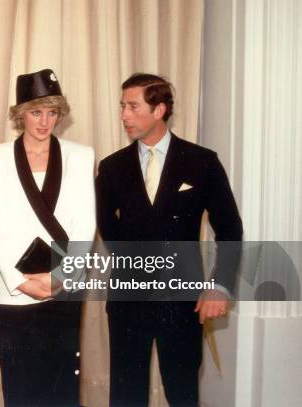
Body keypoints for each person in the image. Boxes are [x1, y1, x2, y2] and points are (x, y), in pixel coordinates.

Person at [95, 73, 243, 406]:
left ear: (159, 109)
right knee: (125, 395)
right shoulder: (111, 167)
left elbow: (231, 229)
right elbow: (107, 227)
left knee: (182, 392)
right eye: (122, 107)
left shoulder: (202, 162)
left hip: (182, 302)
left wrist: (219, 285)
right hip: (127, 299)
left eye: (133, 106)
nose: (124, 115)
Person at [0, 69, 96, 406]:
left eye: (52, 112)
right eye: (35, 112)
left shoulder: (81, 155)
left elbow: (84, 223)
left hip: (64, 283)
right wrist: (22, 282)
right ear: (19, 114)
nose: (45, 122)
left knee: (62, 384)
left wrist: (62, 277)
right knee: (20, 384)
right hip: (15, 288)